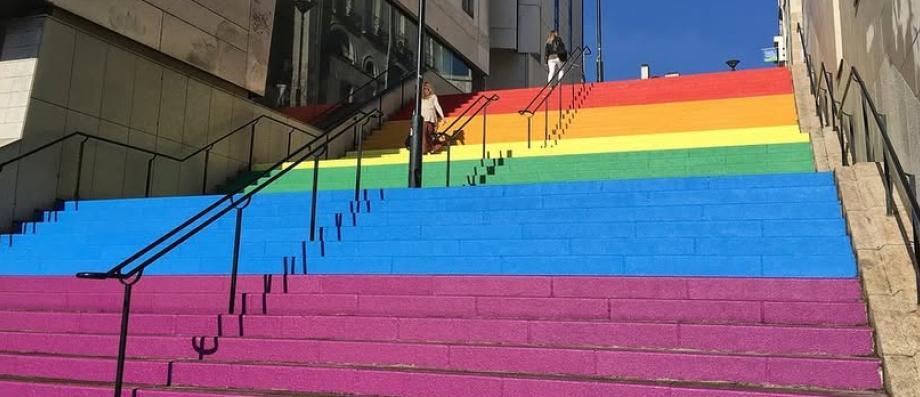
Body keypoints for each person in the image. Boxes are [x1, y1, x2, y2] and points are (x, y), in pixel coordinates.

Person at [419, 81, 445, 154]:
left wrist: (442, 117)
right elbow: (416, 108)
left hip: (431, 118)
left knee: (430, 133)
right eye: (424, 88)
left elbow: (437, 106)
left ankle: (431, 147)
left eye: (428, 88)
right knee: (423, 134)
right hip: (423, 118)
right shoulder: (420, 97)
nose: (426, 89)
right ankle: (424, 150)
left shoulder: (433, 96)